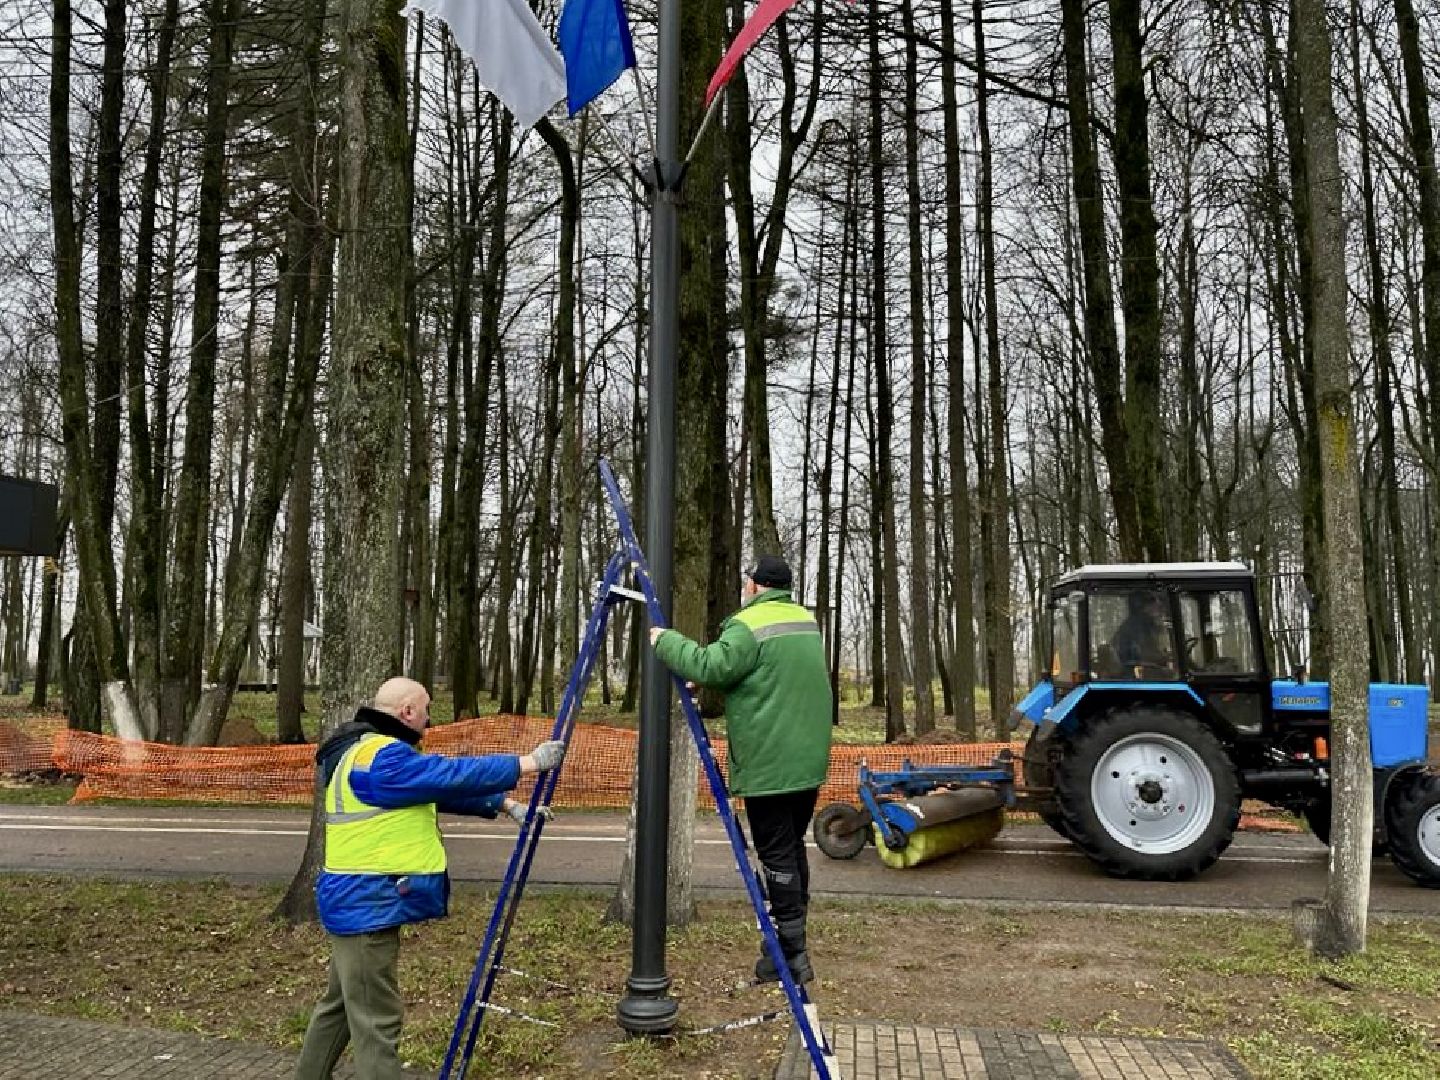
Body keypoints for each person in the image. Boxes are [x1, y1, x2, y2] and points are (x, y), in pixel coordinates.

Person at [294, 677, 566, 1080]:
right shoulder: (382, 757)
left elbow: (430, 786)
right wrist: (525, 764)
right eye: (425, 709)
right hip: (367, 905)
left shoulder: (365, 752)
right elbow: (446, 774)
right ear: (406, 711)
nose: (429, 717)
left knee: (341, 1006)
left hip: (355, 903)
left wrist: (506, 805)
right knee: (376, 1022)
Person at [648, 555, 833, 984]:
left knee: (776, 855)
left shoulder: (747, 624)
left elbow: (711, 663)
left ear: (754, 585)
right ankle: (785, 947)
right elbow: (767, 676)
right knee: (790, 848)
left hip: (771, 763)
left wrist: (665, 640)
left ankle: (791, 953)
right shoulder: (804, 621)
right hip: (807, 759)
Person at [1111, 590, 1174, 675]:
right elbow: (1141, 655)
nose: (1158, 604)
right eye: (1152, 600)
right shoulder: (1135, 627)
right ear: (1141, 605)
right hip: (1140, 674)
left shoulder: (1152, 625)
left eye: (1159, 600)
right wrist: (1165, 658)